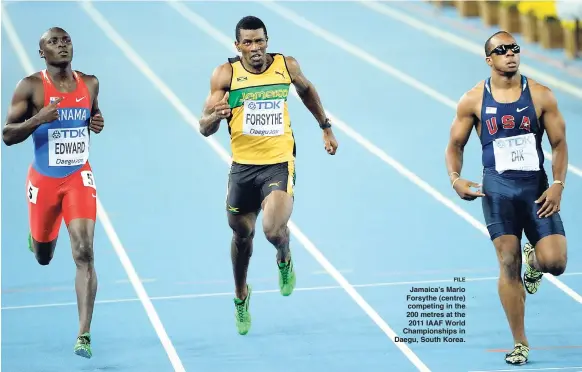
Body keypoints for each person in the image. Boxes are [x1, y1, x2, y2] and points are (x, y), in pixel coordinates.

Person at [199, 16, 338, 335]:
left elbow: (307, 91)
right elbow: (204, 127)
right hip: (242, 169)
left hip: (278, 163)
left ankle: (284, 255)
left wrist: (325, 127)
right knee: (241, 235)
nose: (255, 48)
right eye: (247, 42)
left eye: (259, 40)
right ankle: (240, 296)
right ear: (237, 46)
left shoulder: (285, 66)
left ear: (267, 40)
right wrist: (216, 117)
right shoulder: (226, 74)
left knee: (273, 229)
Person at [445, 31, 568, 365]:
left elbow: (558, 144)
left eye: (514, 48)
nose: (510, 54)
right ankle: (520, 343)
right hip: (498, 190)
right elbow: (455, 145)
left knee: (556, 263)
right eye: (502, 50)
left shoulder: (541, 96)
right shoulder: (472, 100)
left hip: (536, 190)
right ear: (489, 59)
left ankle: (535, 261)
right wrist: (455, 179)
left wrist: (557, 183)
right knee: (507, 262)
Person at [2, 27, 104, 359]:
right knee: (44, 256)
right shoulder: (30, 87)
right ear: (41, 52)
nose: (62, 45)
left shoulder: (89, 83)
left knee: (85, 252)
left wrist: (96, 120)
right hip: (44, 182)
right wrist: (38, 119)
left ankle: (83, 334)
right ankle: (38, 238)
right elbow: (7, 134)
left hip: (78, 177)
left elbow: (92, 112)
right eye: (53, 42)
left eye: (66, 40)